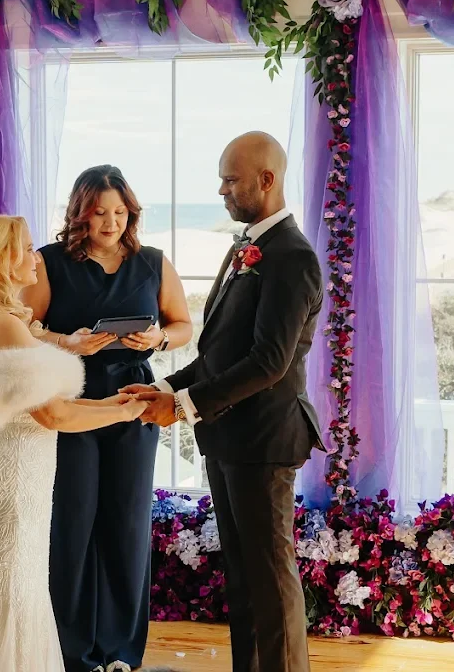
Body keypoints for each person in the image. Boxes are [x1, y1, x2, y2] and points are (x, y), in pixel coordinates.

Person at [127, 132, 324, 672]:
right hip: (231, 439)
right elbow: (220, 353)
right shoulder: (245, 248)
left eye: (231, 179)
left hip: (263, 440)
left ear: (267, 180)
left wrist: (185, 406)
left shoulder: (292, 257)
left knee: (270, 578)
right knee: (244, 578)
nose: (221, 190)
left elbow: (268, 363)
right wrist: (166, 388)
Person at [0, 214, 148, 672]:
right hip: (8, 480)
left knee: (13, 593)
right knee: (10, 597)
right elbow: (53, 415)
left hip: (13, 471)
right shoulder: (3, 324)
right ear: (1, 260)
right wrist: (126, 412)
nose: (37, 257)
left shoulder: (3, 319)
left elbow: (44, 407)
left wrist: (113, 401)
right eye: (27, 249)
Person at [22, 166, 193, 672]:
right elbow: (24, 327)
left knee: (127, 522)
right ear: (80, 213)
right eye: (100, 213)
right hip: (69, 401)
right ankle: (72, 651)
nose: (111, 222)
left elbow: (183, 325)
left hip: (133, 401)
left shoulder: (154, 264)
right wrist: (65, 341)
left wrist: (159, 339)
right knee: (72, 524)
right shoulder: (48, 262)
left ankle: (120, 651)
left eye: (120, 212)